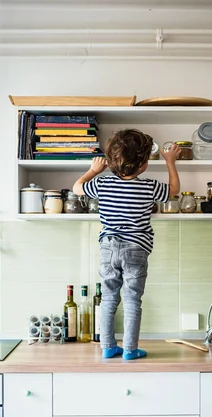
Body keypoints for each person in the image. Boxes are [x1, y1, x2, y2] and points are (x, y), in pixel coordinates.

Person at [73, 129, 181, 360]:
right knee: (132, 299)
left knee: (109, 298)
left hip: (108, 247)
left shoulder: (102, 184)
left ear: (111, 160)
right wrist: (170, 161)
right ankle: (130, 349)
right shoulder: (149, 186)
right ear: (142, 164)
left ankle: (108, 347)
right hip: (136, 249)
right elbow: (174, 190)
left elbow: (77, 188)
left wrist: (93, 170)